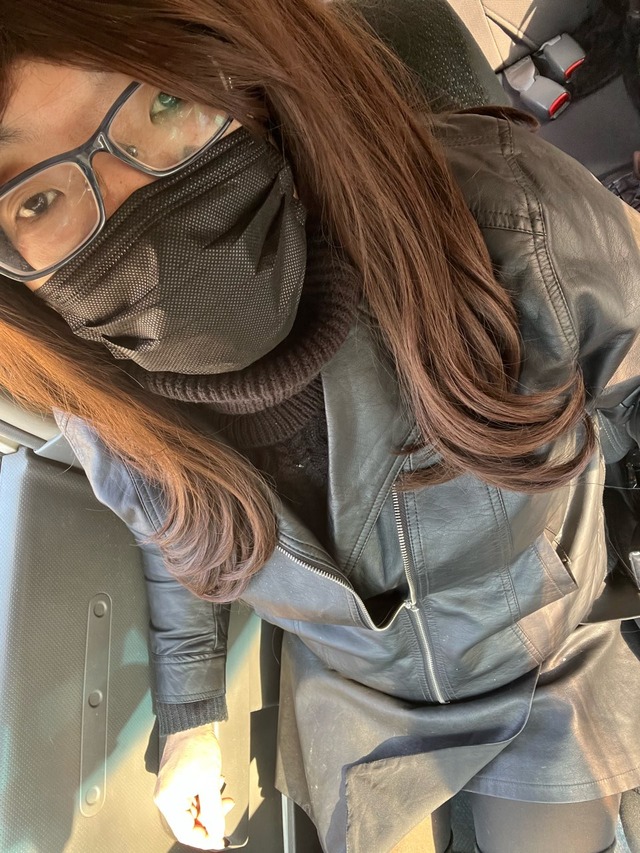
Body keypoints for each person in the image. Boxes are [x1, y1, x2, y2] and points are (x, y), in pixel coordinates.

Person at [1, 1, 640, 851]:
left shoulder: (506, 218)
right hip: (358, 708)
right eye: (37, 197)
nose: (136, 201)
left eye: (164, 102)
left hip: (541, 664)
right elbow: (183, 532)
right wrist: (192, 720)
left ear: (243, 76)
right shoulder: (107, 417)